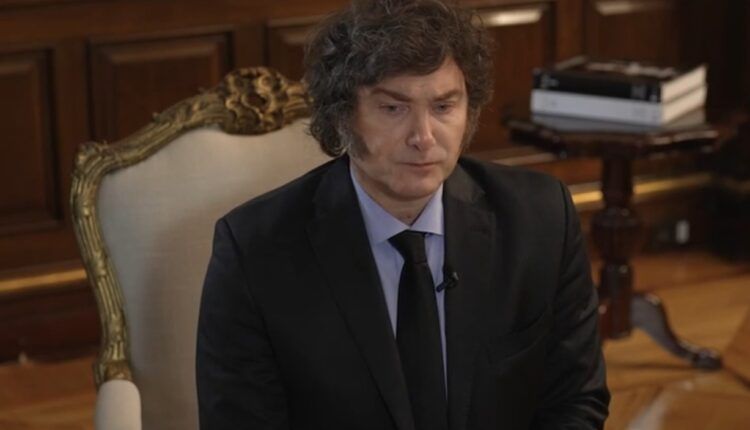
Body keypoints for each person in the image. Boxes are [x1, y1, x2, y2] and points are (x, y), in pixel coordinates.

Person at [196, 0, 610, 429]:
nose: (423, 137)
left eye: (443, 107)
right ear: (342, 116)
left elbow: (575, 400)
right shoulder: (254, 250)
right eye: (393, 108)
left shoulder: (541, 218)